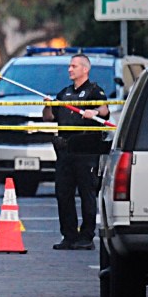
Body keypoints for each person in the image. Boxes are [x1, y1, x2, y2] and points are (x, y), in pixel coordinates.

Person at [42, 53, 110, 251]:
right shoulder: (64, 94)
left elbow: (104, 109)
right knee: (63, 194)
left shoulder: (94, 91)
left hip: (86, 150)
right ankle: (69, 236)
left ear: (85, 69)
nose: (70, 69)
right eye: (69, 66)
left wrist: (95, 112)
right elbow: (49, 118)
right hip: (64, 150)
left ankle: (86, 236)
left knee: (87, 193)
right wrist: (48, 106)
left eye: (74, 66)